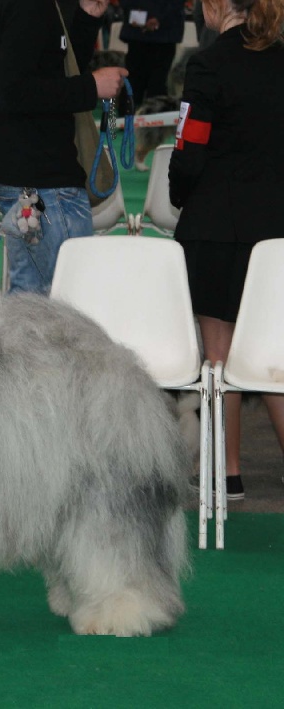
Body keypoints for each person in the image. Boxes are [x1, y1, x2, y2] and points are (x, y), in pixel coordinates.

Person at [169, 0, 284, 501]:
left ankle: (226, 474)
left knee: (218, 358)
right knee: (275, 357)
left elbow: (190, 148)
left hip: (219, 226)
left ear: (218, 6)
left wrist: (179, 194)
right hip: (276, 231)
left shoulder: (209, 62)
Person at [0, 0, 128, 294]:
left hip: (30, 175)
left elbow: (49, 69)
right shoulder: (31, 7)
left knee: (33, 296)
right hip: (42, 180)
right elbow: (13, 92)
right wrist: (91, 87)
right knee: (57, 300)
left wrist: (86, 22)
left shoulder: (40, 7)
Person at [118, 0, 186, 108]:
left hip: (162, 35)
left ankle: (149, 118)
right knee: (135, 82)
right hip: (141, 33)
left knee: (155, 83)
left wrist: (157, 18)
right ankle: (128, 117)